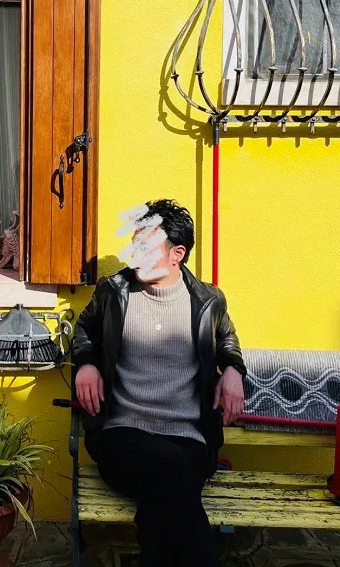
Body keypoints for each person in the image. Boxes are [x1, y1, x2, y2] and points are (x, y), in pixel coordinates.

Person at [72, 199, 245, 567]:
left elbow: (227, 338)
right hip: (122, 435)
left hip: (189, 438)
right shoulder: (114, 292)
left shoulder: (207, 301)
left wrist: (233, 369)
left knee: (161, 498)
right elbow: (84, 328)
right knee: (171, 470)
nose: (134, 257)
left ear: (176, 254)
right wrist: (85, 363)